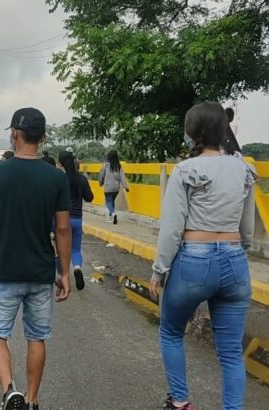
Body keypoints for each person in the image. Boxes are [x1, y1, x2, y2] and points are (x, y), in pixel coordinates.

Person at [149, 102, 257, 410]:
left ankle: (180, 402)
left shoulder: (186, 170)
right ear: (223, 131)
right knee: (231, 352)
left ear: (192, 132)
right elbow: (247, 228)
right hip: (235, 261)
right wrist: (238, 252)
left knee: (171, 332)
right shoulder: (244, 169)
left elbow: (172, 229)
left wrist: (159, 270)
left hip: (194, 261)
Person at [0, 107, 71, 410]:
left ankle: (9, 390)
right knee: (37, 337)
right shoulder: (56, 178)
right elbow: (63, 229)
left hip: (2, 270)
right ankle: (32, 399)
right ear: (42, 137)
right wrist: (64, 272)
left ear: (14, 134)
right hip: (40, 272)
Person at [57, 150, 93, 291]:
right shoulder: (81, 179)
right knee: (75, 249)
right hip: (77, 219)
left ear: (60, 164)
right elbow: (89, 197)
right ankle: (77, 267)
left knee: (59, 249)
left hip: (62, 219)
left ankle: (62, 275)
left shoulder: (59, 179)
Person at [98, 150, 128, 224]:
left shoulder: (105, 165)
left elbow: (101, 174)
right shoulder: (118, 165)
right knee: (112, 202)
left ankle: (113, 214)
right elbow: (122, 176)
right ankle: (111, 218)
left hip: (108, 187)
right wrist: (125, 186)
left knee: (108, 202)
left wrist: (100, 182)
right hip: (116, 188)